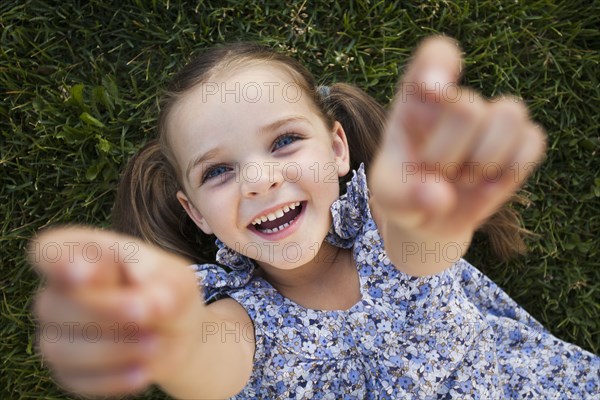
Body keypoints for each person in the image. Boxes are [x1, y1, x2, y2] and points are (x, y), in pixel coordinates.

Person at [30, 37, 599, 399]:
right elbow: (210, 366)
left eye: (283, 141)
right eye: (218, 172)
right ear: (196, 215)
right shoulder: (235, 317)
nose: (258, 179)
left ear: (337, 150)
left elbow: (424, 247)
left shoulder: (387, 230)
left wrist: (433, 210)